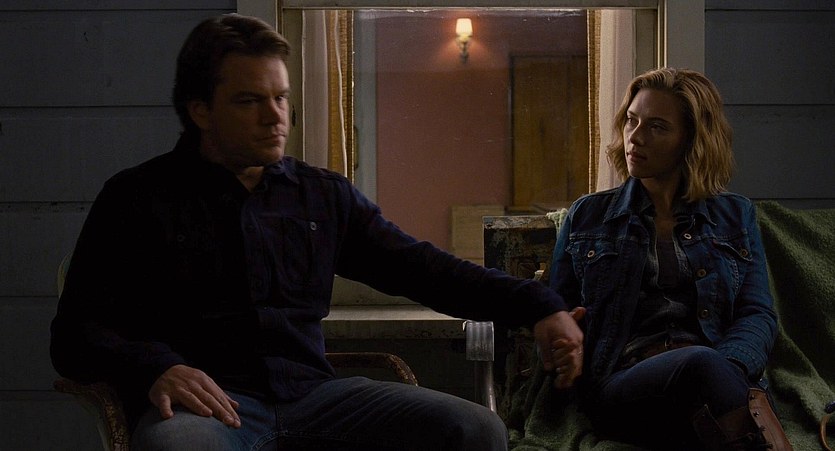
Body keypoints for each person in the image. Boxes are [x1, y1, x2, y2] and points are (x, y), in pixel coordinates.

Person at [49, 13, 584, 451]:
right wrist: (157, 368)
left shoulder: (319, 195)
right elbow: (75, 334)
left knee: (475, 429)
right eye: (250, 101)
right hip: (210, 407)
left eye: (281, 98)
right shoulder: (138, 197)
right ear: (201, 111)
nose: (274, 117)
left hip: (314, 396)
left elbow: (424, 270)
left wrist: (540, 305)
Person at [547, 67, 792, 450]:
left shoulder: (734, 215)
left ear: (691, 140)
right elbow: (558, 311)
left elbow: (757, 313)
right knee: (701, 368)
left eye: (657, 127)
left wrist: (727, 366)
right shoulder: (588, 217)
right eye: (631, 120)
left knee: (705, 381)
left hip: (714, 379)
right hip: (624, 383)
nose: (635, 137)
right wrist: (565, 341)